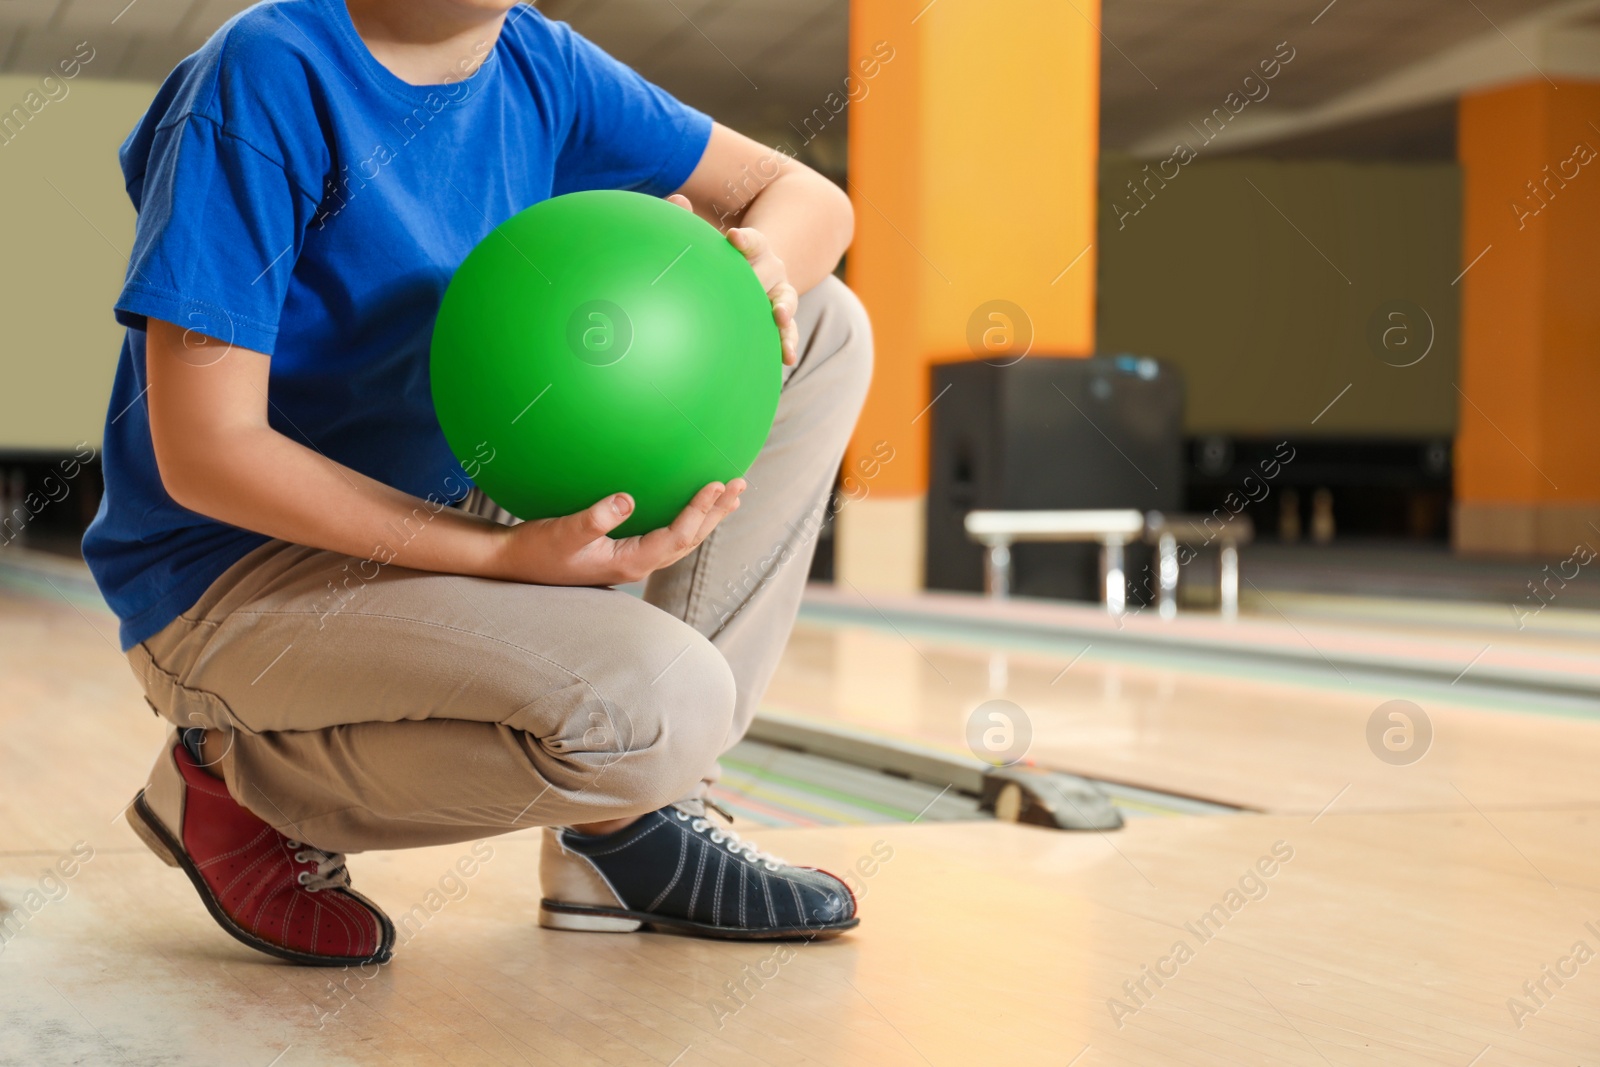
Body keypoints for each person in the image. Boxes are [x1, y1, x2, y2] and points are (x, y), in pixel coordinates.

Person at [82, 0, 872, 966]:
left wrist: (755, 275)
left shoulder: (534, 58)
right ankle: (230, 775)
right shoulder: (266, 72)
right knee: (662, 704)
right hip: (236, 576)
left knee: (821, 321)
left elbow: (809, 198)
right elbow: (209, 454)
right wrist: (503, 557)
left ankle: (630, 828)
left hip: (447, 497)